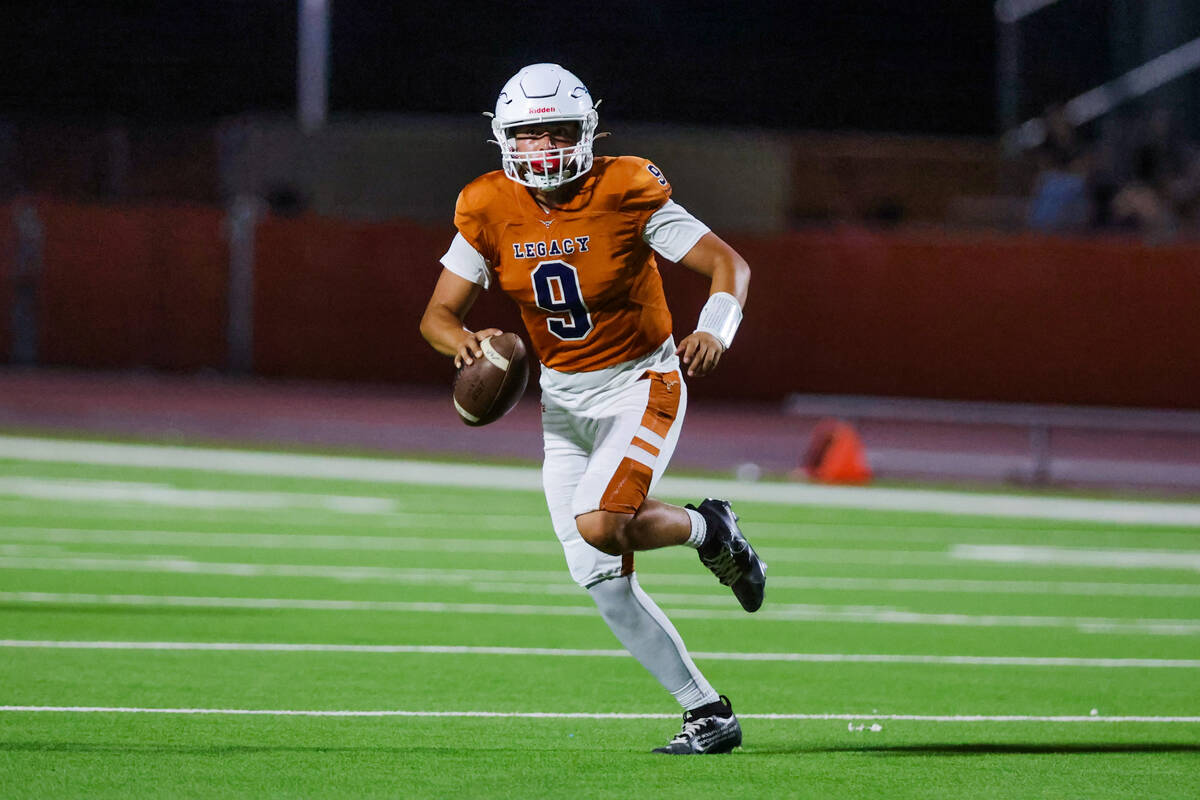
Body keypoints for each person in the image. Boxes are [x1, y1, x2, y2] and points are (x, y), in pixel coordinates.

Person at [419, 63, 766, 755]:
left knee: (603, 524)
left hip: (643, 383)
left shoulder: (625, 188)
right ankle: (707, 713)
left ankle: (708, 531)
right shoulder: (487, 204)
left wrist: (713, 328)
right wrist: (466, 341)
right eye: (527, 134)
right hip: (564, 403)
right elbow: (437, 313)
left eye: (556, 132)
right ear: (501, 138)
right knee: (601, 578)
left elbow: (731, 267)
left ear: (588, 131)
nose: (543, 149)